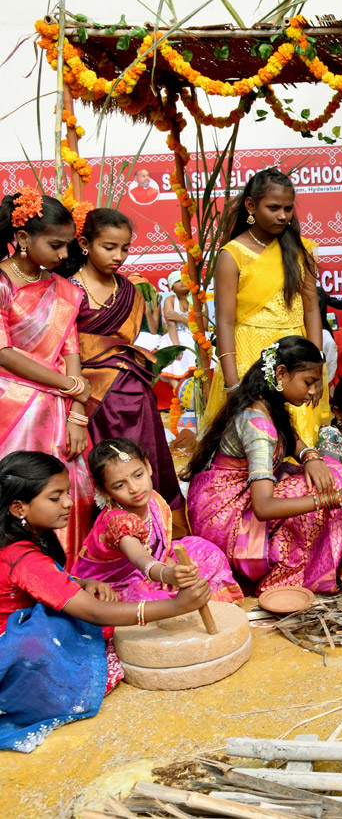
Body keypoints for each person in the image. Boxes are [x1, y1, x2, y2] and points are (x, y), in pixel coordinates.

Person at [0, 450, 209, 752]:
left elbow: (39, 582)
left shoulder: (26, 537)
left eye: (67, 493)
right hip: (10, 642)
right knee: (75, 632)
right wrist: (177, 607)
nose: (69, 503)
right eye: (55, 497)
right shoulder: (21, 555)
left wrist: (82, 582)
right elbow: (96, 612)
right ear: (19, 506)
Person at [185, 336, 342, 595]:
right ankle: (285, 578)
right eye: (309, 382)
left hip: (235, 496)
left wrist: (310, 456)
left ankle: (338, 557)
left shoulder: (267, 402)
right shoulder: (258, 423)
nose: (312, 392)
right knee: (316, 490)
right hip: (225, 517)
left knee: (328, 468)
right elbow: (263, 507)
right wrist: (336, 497)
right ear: (281, 373)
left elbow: (291, 439)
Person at [58, 208, 183, 515]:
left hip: (133, 392)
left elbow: (127, 341)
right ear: (85, 243)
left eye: (125, 248)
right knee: (105, 469)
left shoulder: (128, 289)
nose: (118, 256)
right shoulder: (66, 290)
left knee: (145, 461)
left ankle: (157, 526)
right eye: (109, 247)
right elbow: (63, 347)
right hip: (89, 395)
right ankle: (109, 534)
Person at [0, 187, 94, 565]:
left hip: (59, 414)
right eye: (56, 245)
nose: (64, 255)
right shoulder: (3, 285)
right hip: (11, 407)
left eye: (68, 245)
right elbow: (3, 353)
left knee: (66, 494)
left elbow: (70, 349)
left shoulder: (65, 291)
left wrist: (77, 413)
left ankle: (65, 577)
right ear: (22, 238)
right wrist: (70, 387)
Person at [204, 168, 327, 444]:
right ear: (251, 205)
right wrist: (233, 382)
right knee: (257, 437)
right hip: (249, 358)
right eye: (273, 208)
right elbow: (223, 321)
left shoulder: (303, 250)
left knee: (300, 438)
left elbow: (311, 310)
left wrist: (316, 371)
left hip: (296, 357)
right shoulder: (233, 254)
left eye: (287, 208)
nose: (282, 216)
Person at [74, 437, 241, 603]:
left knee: (208, 552)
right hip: (120, 582)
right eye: (120, 485)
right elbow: (141, 559)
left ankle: (213, 605)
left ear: (148, 466)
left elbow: (159, 547)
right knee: (156, 600)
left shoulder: (153, 500)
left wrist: (167, 564)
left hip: (154, 566)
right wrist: (167, 574)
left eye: (138, 475)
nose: (134, 488)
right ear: (104, 491)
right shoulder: (118, 523)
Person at [157, 268, 197, 392]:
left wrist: (179, 317)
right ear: (171, 288)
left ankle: (193, 393)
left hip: (195, 335)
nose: (182, 282)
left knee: (192, 356)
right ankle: (182, 394)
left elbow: (202, 325)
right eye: (177, 280)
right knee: (169, 357)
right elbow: (171, 325)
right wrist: (176, 347)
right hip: (176, 335)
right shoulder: (170, 300)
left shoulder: (196, 298)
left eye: (184, 279)